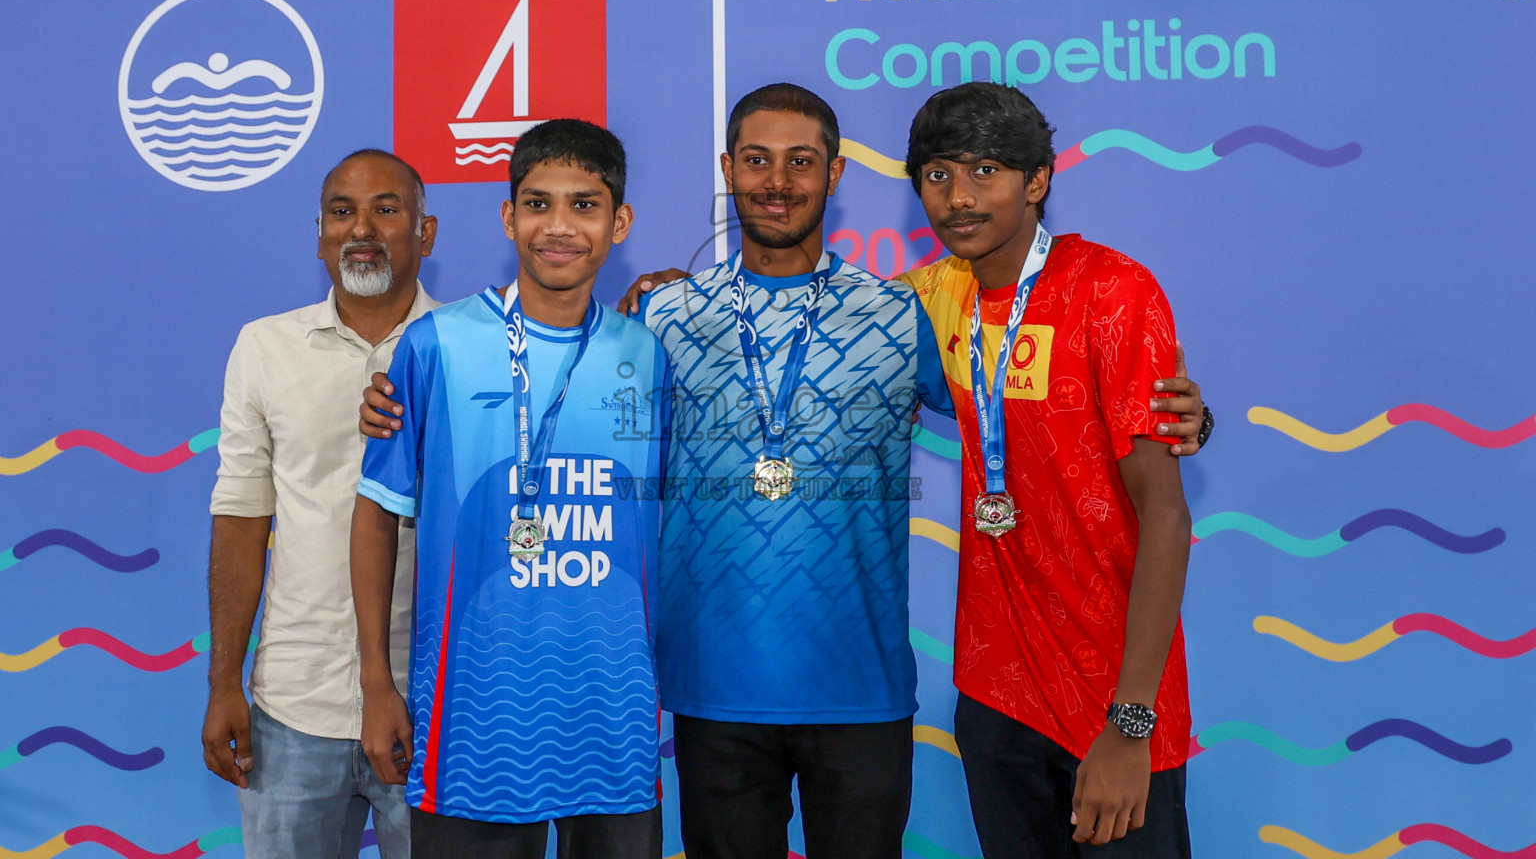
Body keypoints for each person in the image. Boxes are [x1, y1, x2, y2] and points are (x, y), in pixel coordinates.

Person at [362, 84, 1207, 859]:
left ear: (834, 174)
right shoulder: (660, 315)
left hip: (863, 693)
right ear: (728, 172)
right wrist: (400, 401)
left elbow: (1016, 396)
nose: (778, 181)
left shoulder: (902, 309)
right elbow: (554, 369)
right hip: (712, 694)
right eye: (757, 161)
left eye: (801, 161)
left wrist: (1179, 417)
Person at [349, 119, 670, 859]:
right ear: (508, 216)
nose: (559, 227)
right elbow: (376, 518)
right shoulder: (437, 345)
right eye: (538, 203)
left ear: (619, 222)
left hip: (613, 716)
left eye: (585, 206)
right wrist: (378, 685)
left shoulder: (648, 354)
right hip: (477, 722)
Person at [899, 82, 1195, 858]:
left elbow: (1167, 515)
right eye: (936, 175)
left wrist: (1132, 726)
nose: (957, 198)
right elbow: (816, 324)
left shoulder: (1114, 292)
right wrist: (667, 294)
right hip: (997, 698)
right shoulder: (927, 299)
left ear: (1037, 180)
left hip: (1116, 697)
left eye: (985, 171)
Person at [203, 149, 438, 859]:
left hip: (434, 706)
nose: (360, 229)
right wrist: (223, 684)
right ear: (319, 235)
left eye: (386, 209)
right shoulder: (265, 348)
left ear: (426, 233)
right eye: (342, 212)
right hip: (292, 710)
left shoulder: (474, 349)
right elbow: (243, 523)